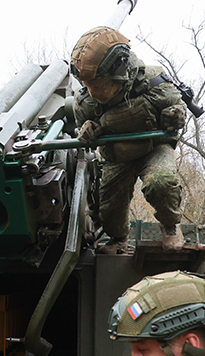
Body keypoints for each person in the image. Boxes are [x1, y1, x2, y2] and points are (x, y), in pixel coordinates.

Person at [70, 27, 187, 254]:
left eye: (99, 84)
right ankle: (118, 240)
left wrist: (175, 115)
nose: (93, 92)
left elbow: (178, 108)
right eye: (89, 85)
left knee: (161, 182)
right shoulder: (84, 101)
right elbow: (82, 131)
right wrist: (86, 131)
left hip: (153, 148)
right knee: (109, 205)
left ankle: (170, 225)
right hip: (117, 155)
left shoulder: (153, 81)